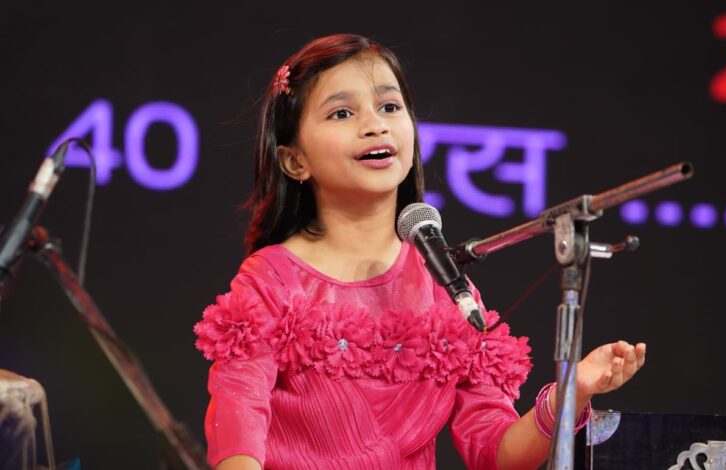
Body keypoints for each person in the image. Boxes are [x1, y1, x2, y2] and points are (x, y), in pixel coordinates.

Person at [194, 33, 646, 470]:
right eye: (342, 113)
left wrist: (572, 393)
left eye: (389, 107)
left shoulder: (446, 288)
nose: (375, 125)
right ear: (295, 161)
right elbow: (238, 436)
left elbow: (495, 451)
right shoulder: (271, 280)